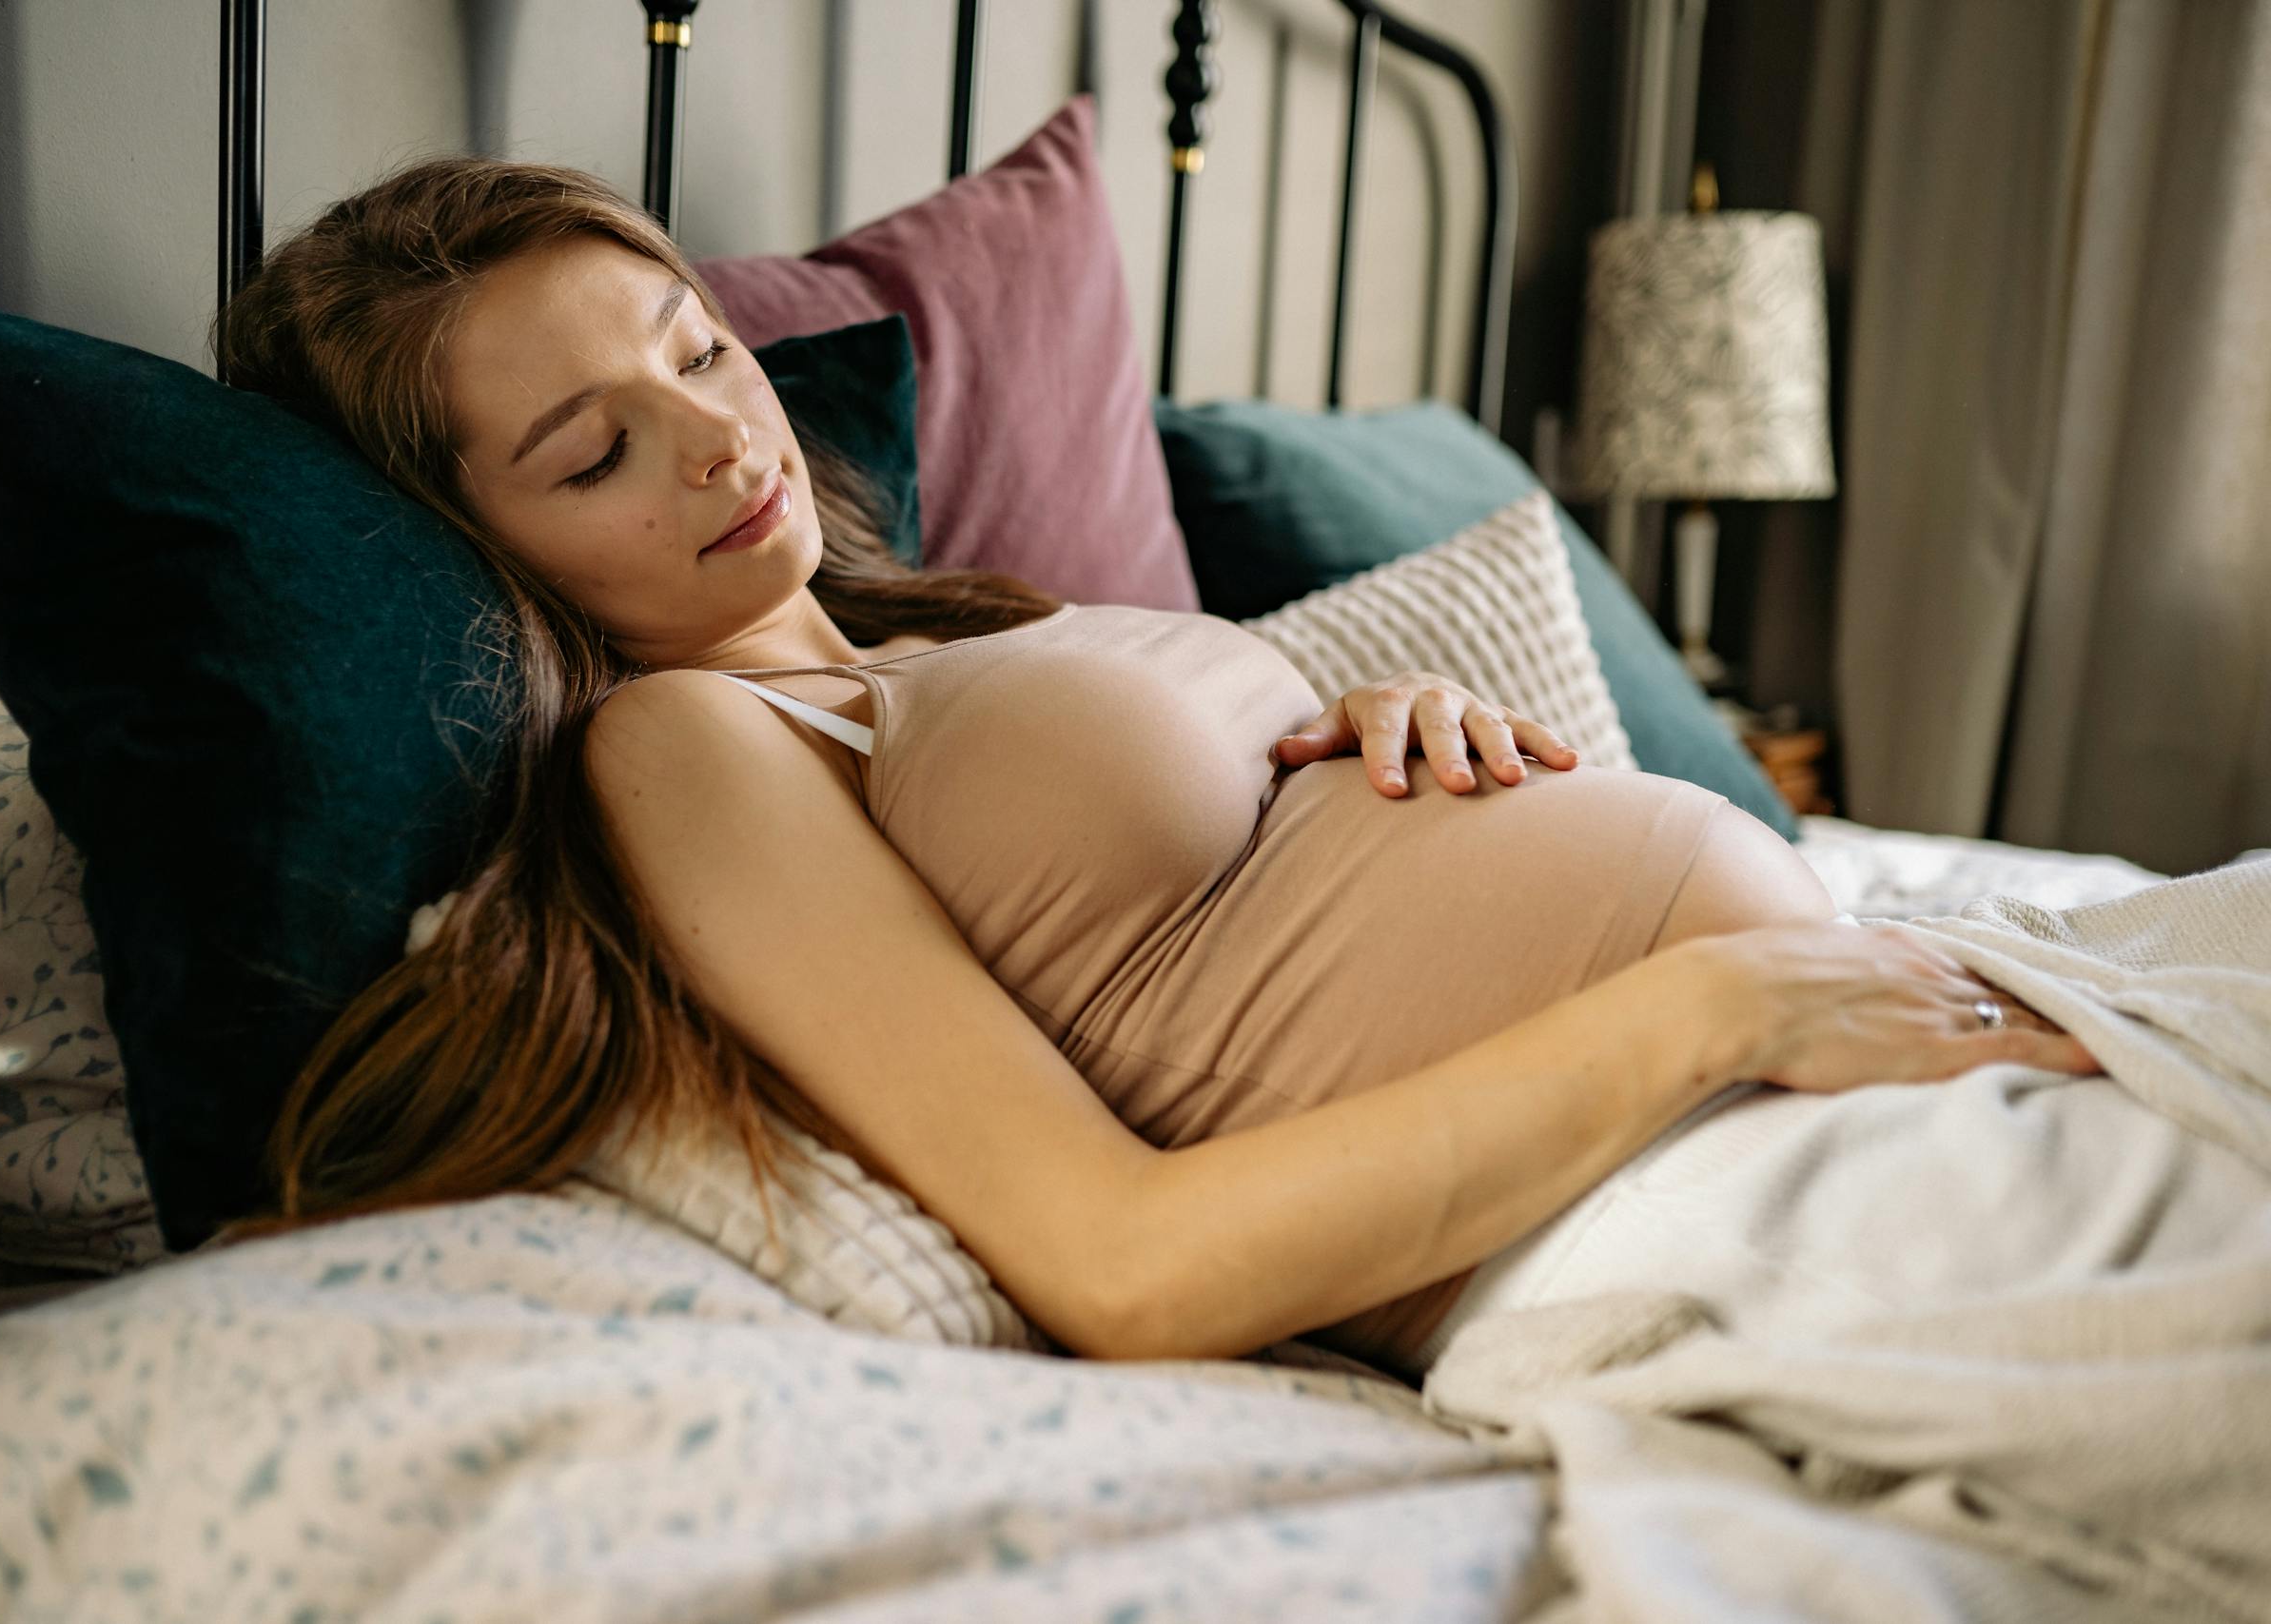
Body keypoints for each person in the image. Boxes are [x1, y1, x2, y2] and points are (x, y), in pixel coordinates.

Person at [211, 155, 2108, 1379]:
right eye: (587, 450)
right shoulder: (680, 742)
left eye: (697, 354)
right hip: (1680, 1179)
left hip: (1832, 1057)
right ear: (474, 548)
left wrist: (1375, 728)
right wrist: (1716, 992)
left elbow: (1232, 902)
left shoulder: (949, 637)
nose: (712, 442)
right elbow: (1119, 1265)